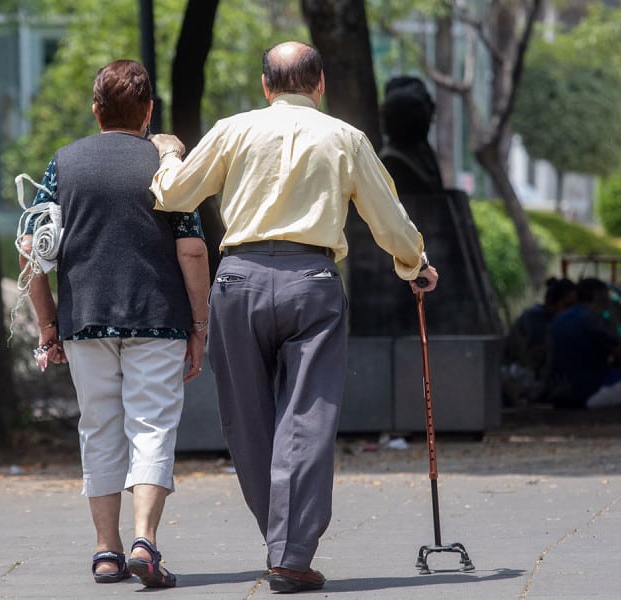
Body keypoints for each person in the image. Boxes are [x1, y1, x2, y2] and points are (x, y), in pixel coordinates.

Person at [149, 41, 438, 593]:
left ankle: (281, 543)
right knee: (307, 417)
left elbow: (176, 196)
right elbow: (388, 216)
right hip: (312, 282)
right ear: (320, 84)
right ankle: (290, 552)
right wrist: (414, 264)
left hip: (238, 281)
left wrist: (166, 154)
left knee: (246, 420)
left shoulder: (233, 130)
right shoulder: (346, 137)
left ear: (266, 85)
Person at [18, 60, 209, 589]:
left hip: (85, 320)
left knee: (99, 428)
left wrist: (47, 324)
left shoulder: (64, 163)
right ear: (148, 111)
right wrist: (200, 325)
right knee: (152, 426)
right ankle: (145, 541)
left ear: (95, 110)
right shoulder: (164, 165)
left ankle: (107, 551)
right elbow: (192, 249)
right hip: (159, 318)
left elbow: (31, 248)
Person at [544, 277, 621, 409]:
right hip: (589, 396)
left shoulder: (557, 319)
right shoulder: (597, 317)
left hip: (558, 398)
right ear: (599, 296)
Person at [502, 277, 578, 405]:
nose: (571, 312)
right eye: (567, 306)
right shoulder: (533, 320)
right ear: (550, 303)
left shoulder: (565, 321)